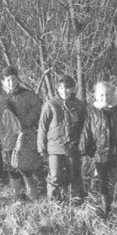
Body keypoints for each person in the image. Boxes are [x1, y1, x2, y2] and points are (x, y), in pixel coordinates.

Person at [0, 66, 43, 201]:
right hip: (9, 139)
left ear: (18, 79)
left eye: (13, 79)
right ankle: (16, 195)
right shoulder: (1, 100)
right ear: (3, 82)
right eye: (8, 80)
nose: (11, 82)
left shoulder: (28, 95)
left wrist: (26, 123)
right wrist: (2, 135)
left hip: (25, 137)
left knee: (25, 165)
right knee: (12, 166)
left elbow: (37, 109)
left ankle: (32, 194)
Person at [37, 76, 86, 204]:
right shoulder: (51, 105)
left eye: (68, 88)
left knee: (74, 174)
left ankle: (76, 199)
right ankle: (54, 201)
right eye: (61, 88)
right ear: (57, 89)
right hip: (55, 147)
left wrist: (83, 145)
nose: (64, 91)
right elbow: (42, 127)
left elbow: (83, 127)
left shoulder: (79, 105)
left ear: (73, 89)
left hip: (72, 147)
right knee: (55, 175)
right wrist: (42, 149)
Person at [80, 81, 117, 217]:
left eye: (108, 94)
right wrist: (84, 148)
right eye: (101, 95)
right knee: (102, 182)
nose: (105, 98)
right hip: (101, 153)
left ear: (113, 94)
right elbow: (87, 131)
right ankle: (105, 209)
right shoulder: (93, 111)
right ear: (96, 96)